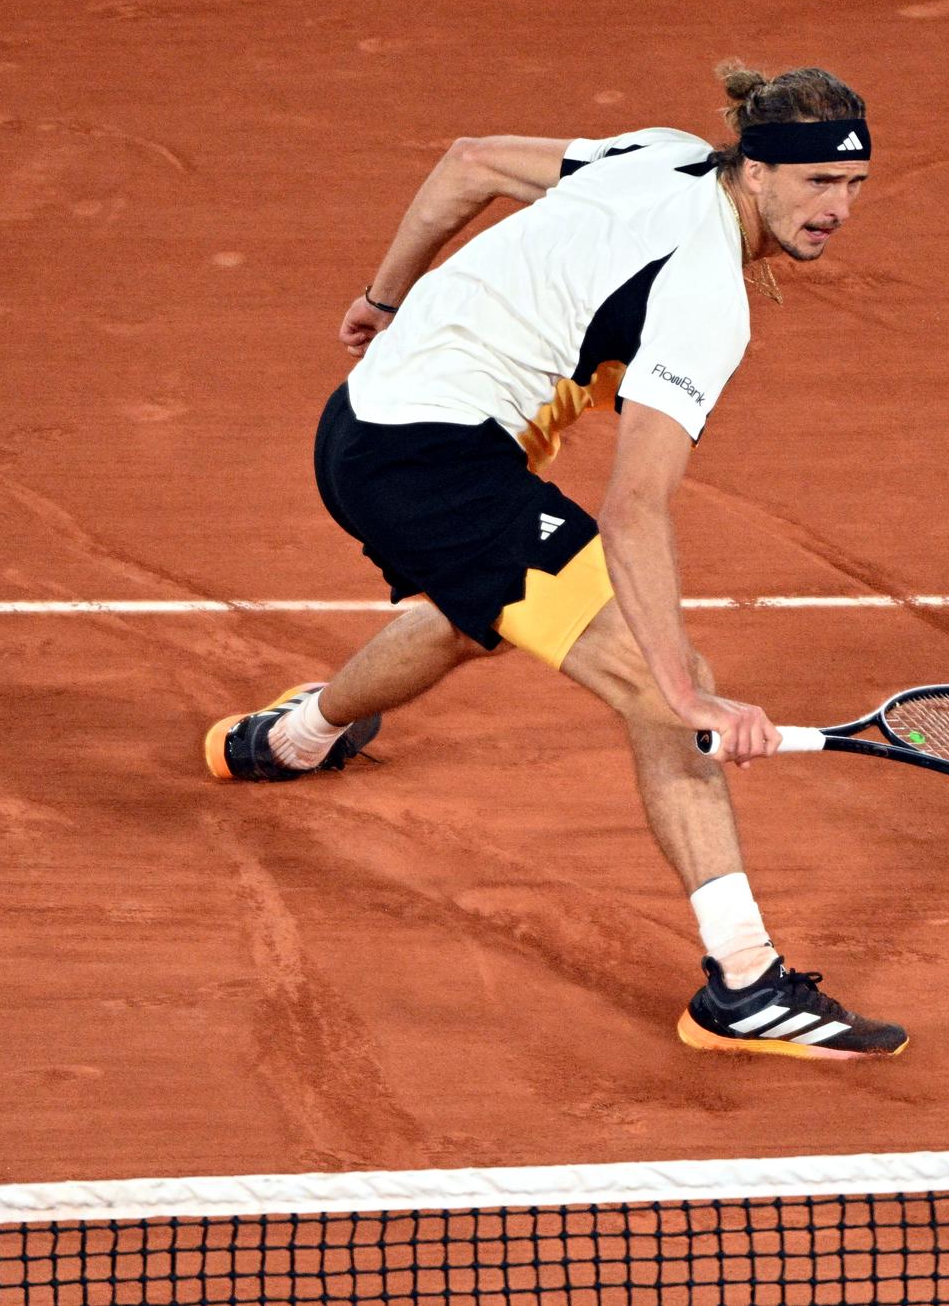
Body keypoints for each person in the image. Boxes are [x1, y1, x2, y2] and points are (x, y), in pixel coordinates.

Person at [202, 62, 905, 1060]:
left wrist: (382, 300)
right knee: (667, 695)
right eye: (814, 183)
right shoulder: (707, 295)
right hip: (428, 462)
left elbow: (471, 163)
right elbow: (635, 506)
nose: (837, 209)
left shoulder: (657, 152)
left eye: (855, 185)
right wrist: (681, 691)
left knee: (470, 611)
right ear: (754, 172)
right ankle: (744, 987)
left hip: (372, 419)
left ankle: (293, 739)